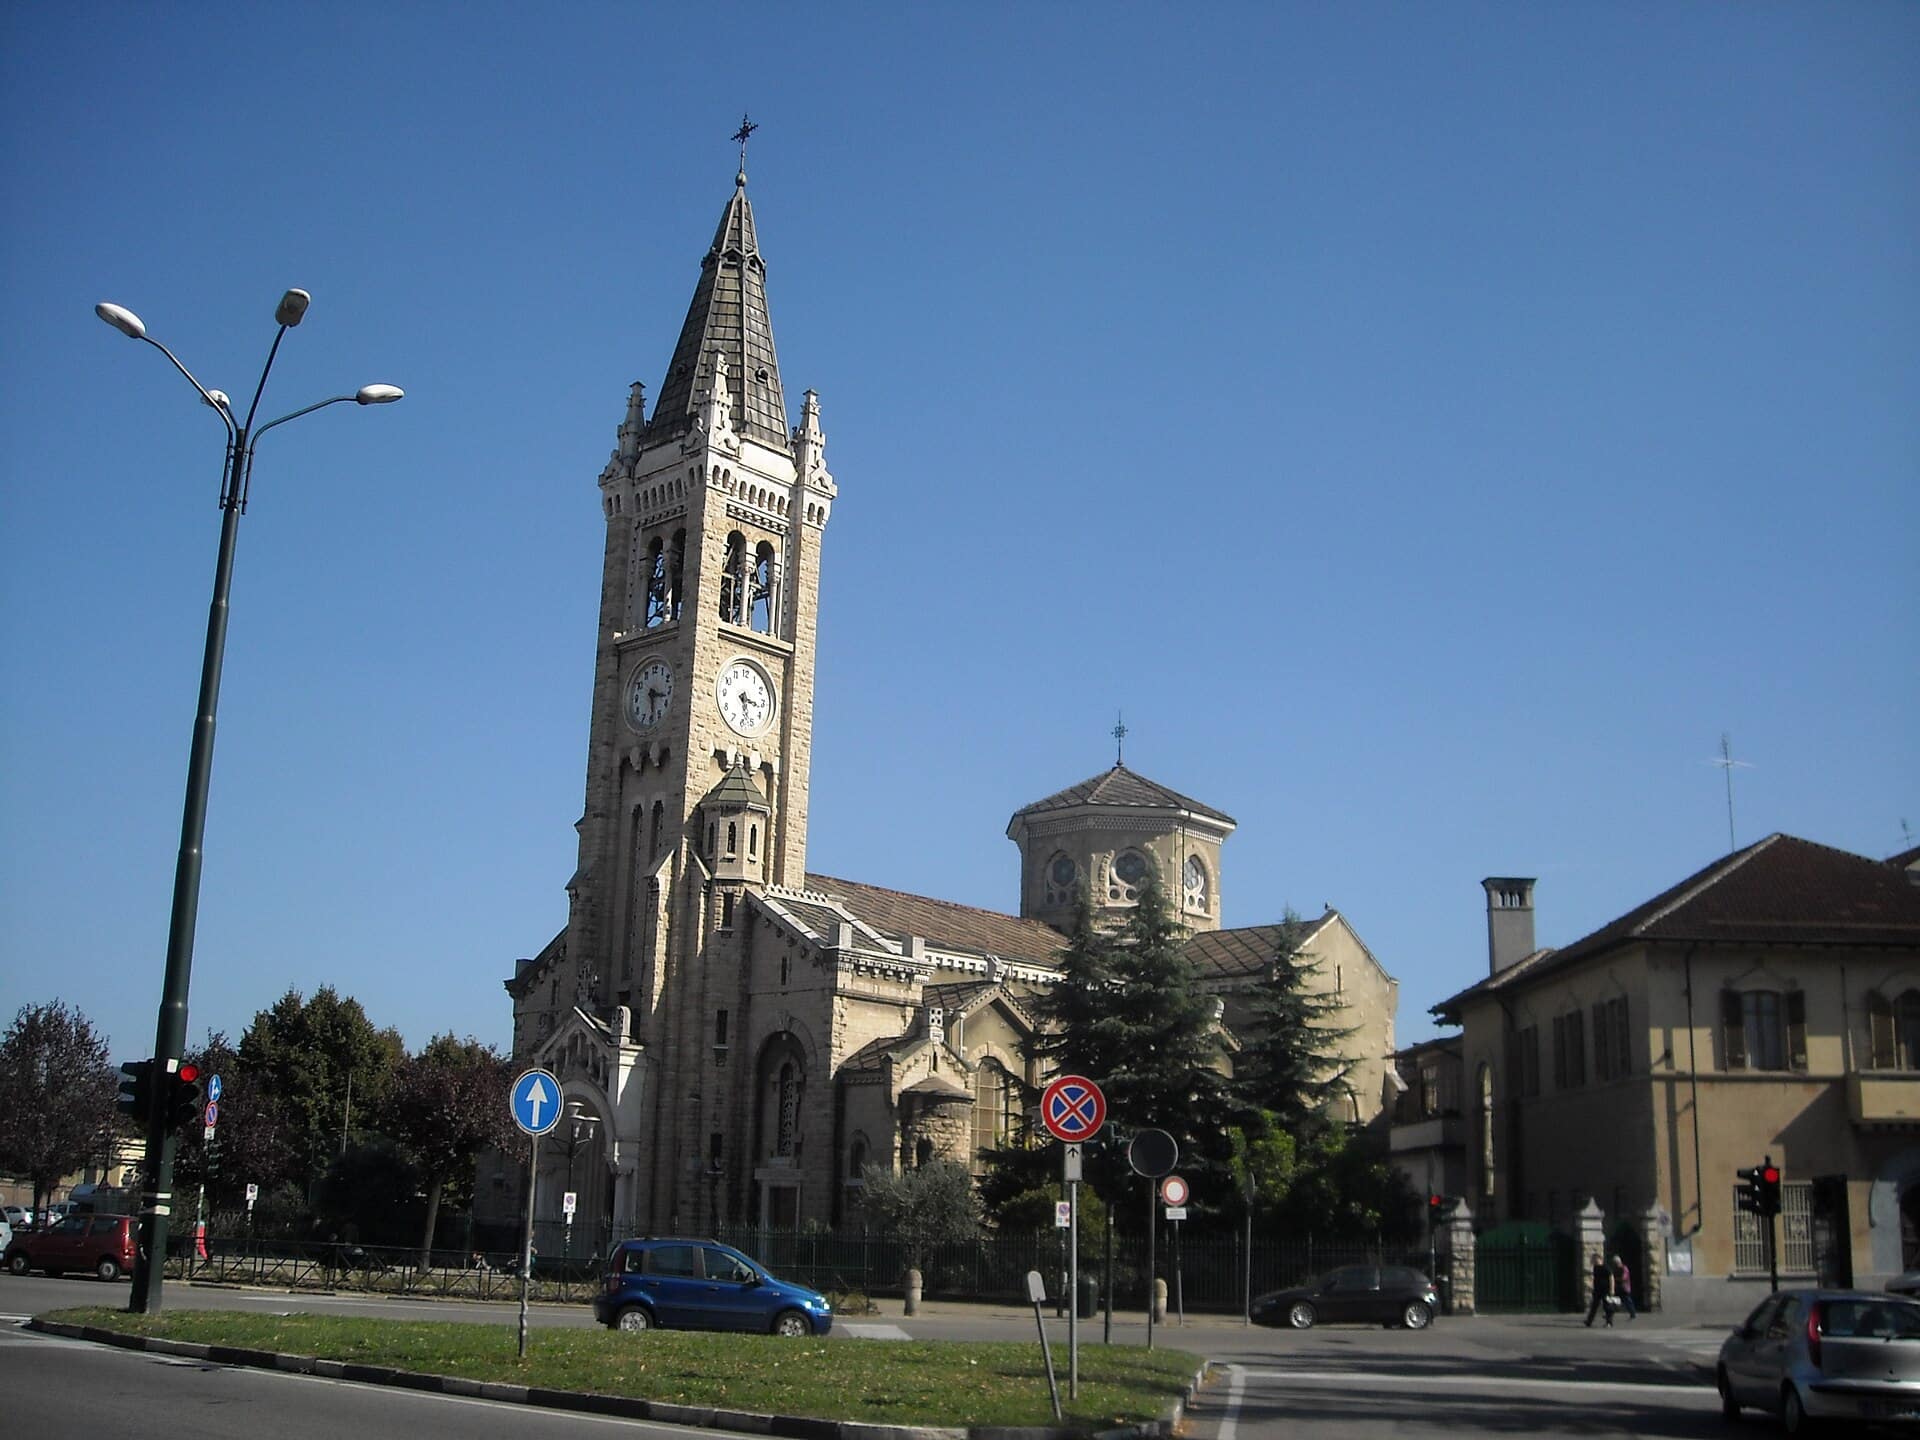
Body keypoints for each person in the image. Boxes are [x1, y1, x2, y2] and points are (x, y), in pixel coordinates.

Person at [1584, 1253, 1614, 1327]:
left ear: (1599, 1259)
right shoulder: (1596, 1268)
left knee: (1607, 1306)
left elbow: (1611, 1278)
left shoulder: (1605, 1267)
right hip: (1597, 1290)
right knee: (1594, 1306)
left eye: (1594, 1259)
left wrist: (1612, 1289)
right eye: (1593, 1260)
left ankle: (1609, 1322)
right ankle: (1589, 1321)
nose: (1593, 1261)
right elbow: (1595, 1277)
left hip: (1605, 1290)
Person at [1610, 1254, 1637, 1319]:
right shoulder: (1616, 1269)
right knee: (1614, 1301)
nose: (1614, 1264)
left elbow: (1624, 1278)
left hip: (1624, 1287)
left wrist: (1615, 1279)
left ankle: (1633, 1313)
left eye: (1615, 1263)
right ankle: (1610, 1313)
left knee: (1627, 1301)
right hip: (1618, 1287)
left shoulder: (1624, 1268)